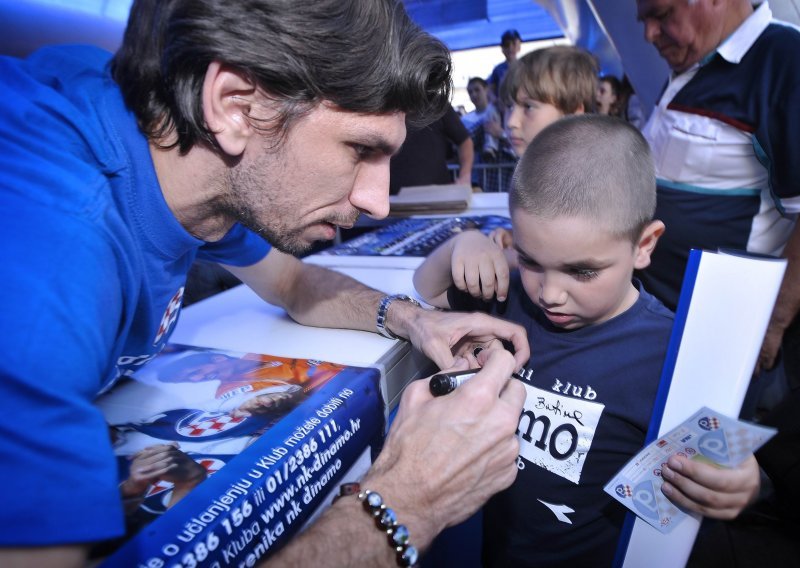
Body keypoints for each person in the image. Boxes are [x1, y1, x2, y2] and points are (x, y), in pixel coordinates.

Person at [0, 0, 532, 565]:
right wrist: (407, 503)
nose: (378, 200)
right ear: (235, 105)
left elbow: (292, 283)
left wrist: (417, 319)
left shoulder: (185, 159)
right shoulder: (47, 258)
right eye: (360, 149)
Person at [413, 115, 761, 566]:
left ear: (644, 245)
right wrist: (463, 245)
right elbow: (429, 287)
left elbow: (727, 468)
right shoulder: (512, 295)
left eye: (582, 271)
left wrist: (744, 484)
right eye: (531, 259)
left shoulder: (675, 356)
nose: (550, 293)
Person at [635, 0, 800, 377]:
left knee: (702, 436)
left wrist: (772, 325)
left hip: (720, 335)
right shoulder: (691, 63)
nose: (649, 34)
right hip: (660, 320)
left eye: (661, 15)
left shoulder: (785, 60)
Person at [389, 105, 474, 194]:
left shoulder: (438, 103)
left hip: (439, 195)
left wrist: (465, 176)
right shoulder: (386, 104)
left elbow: (464, 141)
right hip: (394, 197)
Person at [460, 77, 513, 192]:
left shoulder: (511, 119)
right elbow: (465, 140)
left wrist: (501, 134)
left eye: (477, 90)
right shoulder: (472, 120)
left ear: (487, 90)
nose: (474, 95)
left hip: (508, 182)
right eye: (470, 92)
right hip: (486, 181)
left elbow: (521, 152)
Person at [487, 29, 522, 103]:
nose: (510, 48)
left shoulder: (526, 66)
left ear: (519, 47)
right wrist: (495, 101)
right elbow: (490, 89)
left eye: (514, 44)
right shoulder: (498, 70)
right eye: (506, 45)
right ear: (502, 49)